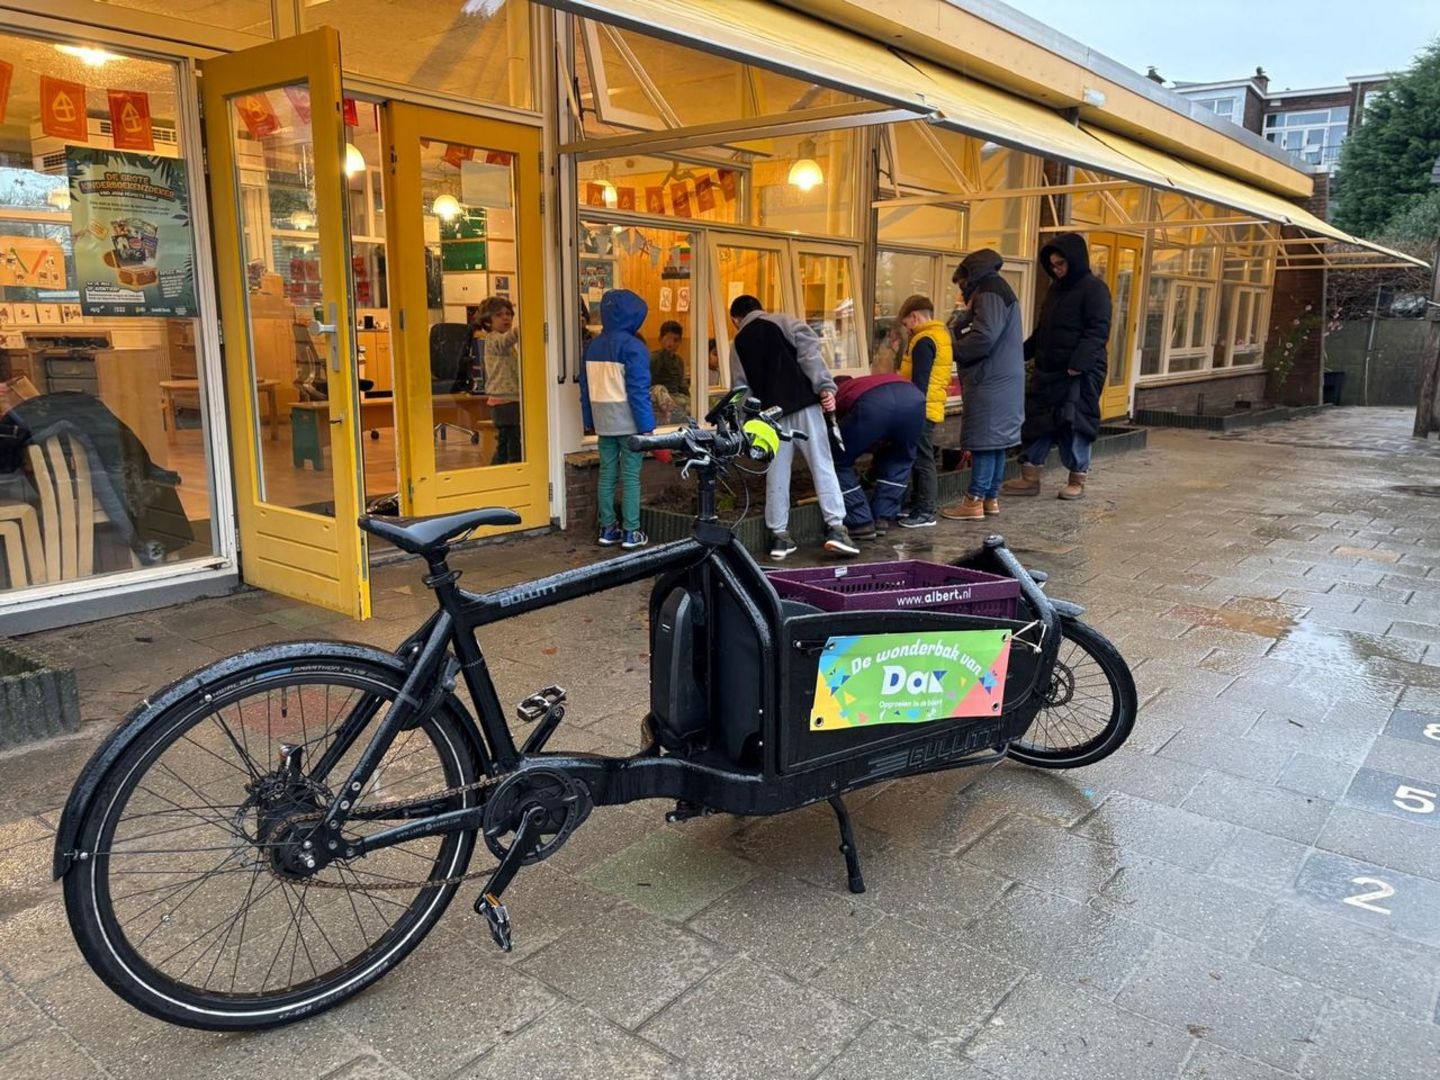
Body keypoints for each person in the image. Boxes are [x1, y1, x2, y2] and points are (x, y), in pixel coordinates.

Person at [727, 294, 858, 559]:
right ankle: (836, 529)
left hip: (770, 417)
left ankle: (779, 537)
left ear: (735, 319)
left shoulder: (738, 343)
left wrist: (743, 424)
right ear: (761, 308)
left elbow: (741, 389)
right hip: (805, 406)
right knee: (822, 465)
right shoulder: (786, 322)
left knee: (776, 474)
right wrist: (825, 387)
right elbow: (810, 357)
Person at [1001, 232, 1111, 500]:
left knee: (1074, 423)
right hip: (1048, 370)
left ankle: (1077, 478)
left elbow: (1098, 330)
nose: (1057, 269)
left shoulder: (1094, 289)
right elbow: (1043, 330)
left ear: (1075, 260)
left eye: (1061, 264)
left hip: (1079, 373)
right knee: (1038, 421)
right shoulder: (1055, 290)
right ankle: (1030, 477)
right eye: (1052, 265)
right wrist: (1020, 354)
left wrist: (1078, 364)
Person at [940, 249, 1026, 520]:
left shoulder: (988, 292)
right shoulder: (1000, 288)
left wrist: (951, 350)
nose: (961, 291)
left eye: (961, 284)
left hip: (990, 380)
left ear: (970, 276)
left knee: (984, 442)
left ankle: (974, 501)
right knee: (996, 443)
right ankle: (991, 499)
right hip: (1003, 379)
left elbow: (984, 338)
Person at [579, 289, 656, 550]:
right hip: (630, 422)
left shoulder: (591, 347)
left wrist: (588, 420)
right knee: (631, 477)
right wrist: (647, 427)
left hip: (603, 422)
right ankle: (631, 532)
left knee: (607, 475)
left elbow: (585, 389)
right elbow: (638, 390)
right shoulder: (635, 347)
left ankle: (607, 528)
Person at [832, 373, 926, 539]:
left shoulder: (834, 393)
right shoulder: (863, 382)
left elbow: (836, 431)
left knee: (835, 460)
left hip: (874, 404)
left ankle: (860, 521)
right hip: (914, 400)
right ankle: (882, 517)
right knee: (900, 459)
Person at [894, 294, 953, 529]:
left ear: (915, 317)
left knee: (922, 458)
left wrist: (911, 409)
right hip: (930, 405)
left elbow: (920, 382)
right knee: (922, 456)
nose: (907, 329)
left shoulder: (924, 340)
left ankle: (925, 510)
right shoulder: (940, 335)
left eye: (906, 323)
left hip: (922, 408)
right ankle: (918, 504)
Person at [477, 296, 522, 464]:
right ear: (487, 321)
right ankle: (506, 470)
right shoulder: (492, 338)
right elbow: (505, 341)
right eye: (499, 315)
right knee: (512, 445)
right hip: (504, 401)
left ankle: (497, 470)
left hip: (510, 399)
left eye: (508, 314)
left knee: (506, 443)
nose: (506, 318)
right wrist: (521, 328)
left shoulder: (509, 346)